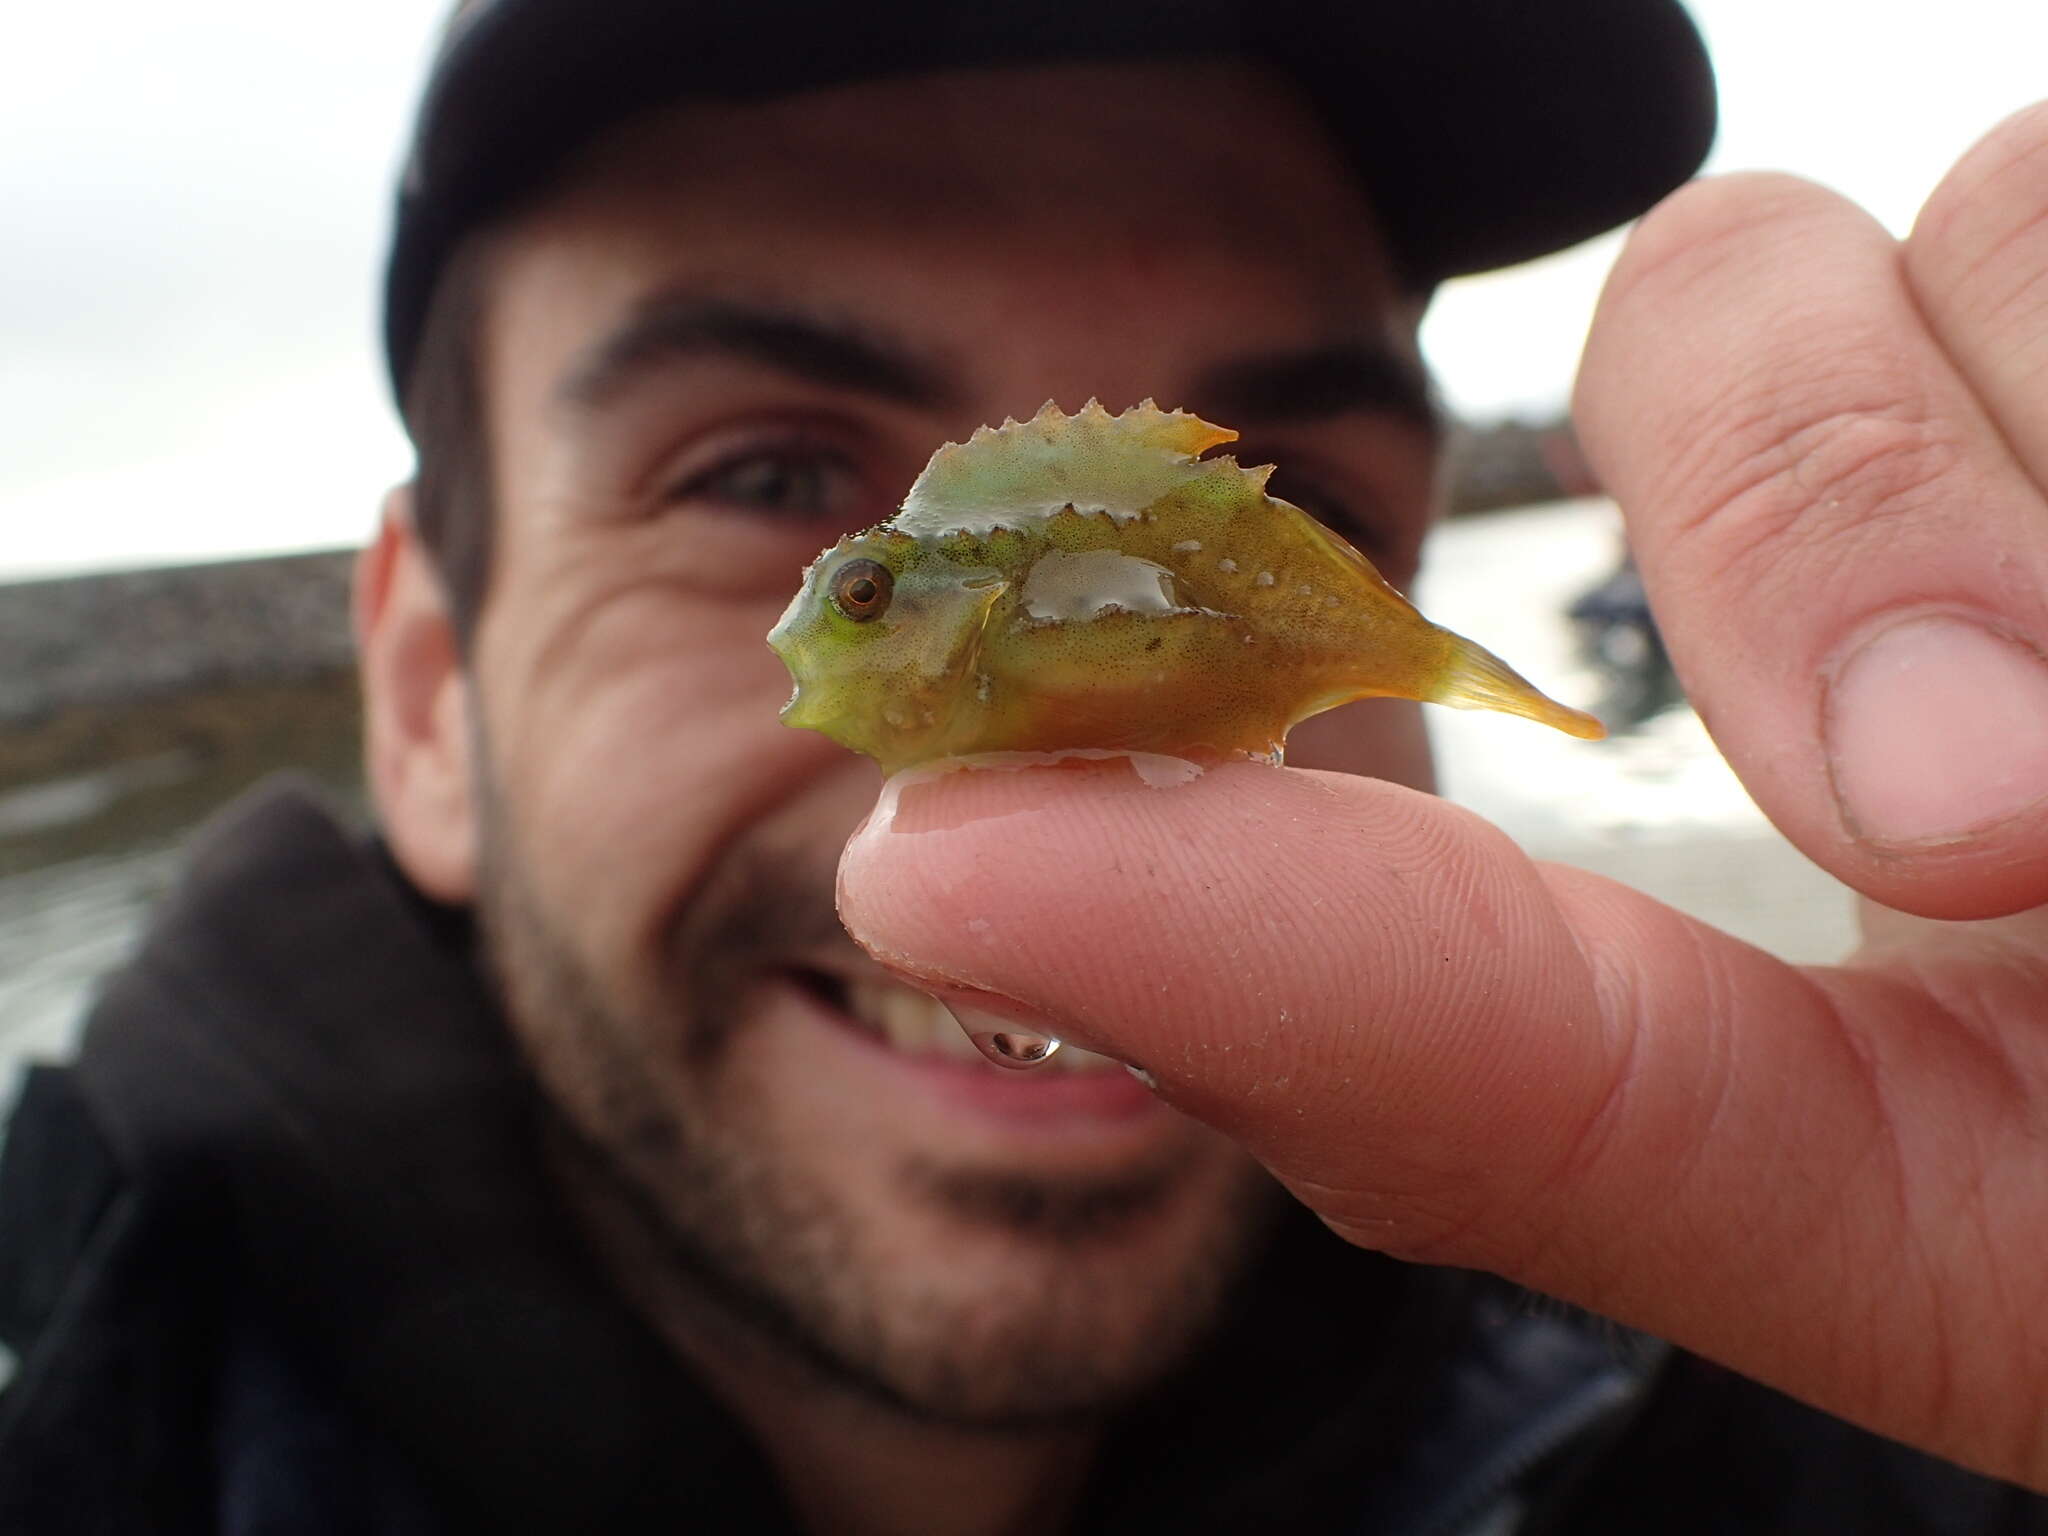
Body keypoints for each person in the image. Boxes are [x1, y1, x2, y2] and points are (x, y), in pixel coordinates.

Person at [5, 0, 2048, 1530]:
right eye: (764, 475)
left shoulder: (1820, 1410)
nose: (845, 631)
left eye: (1309, 491)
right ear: (429, 696)